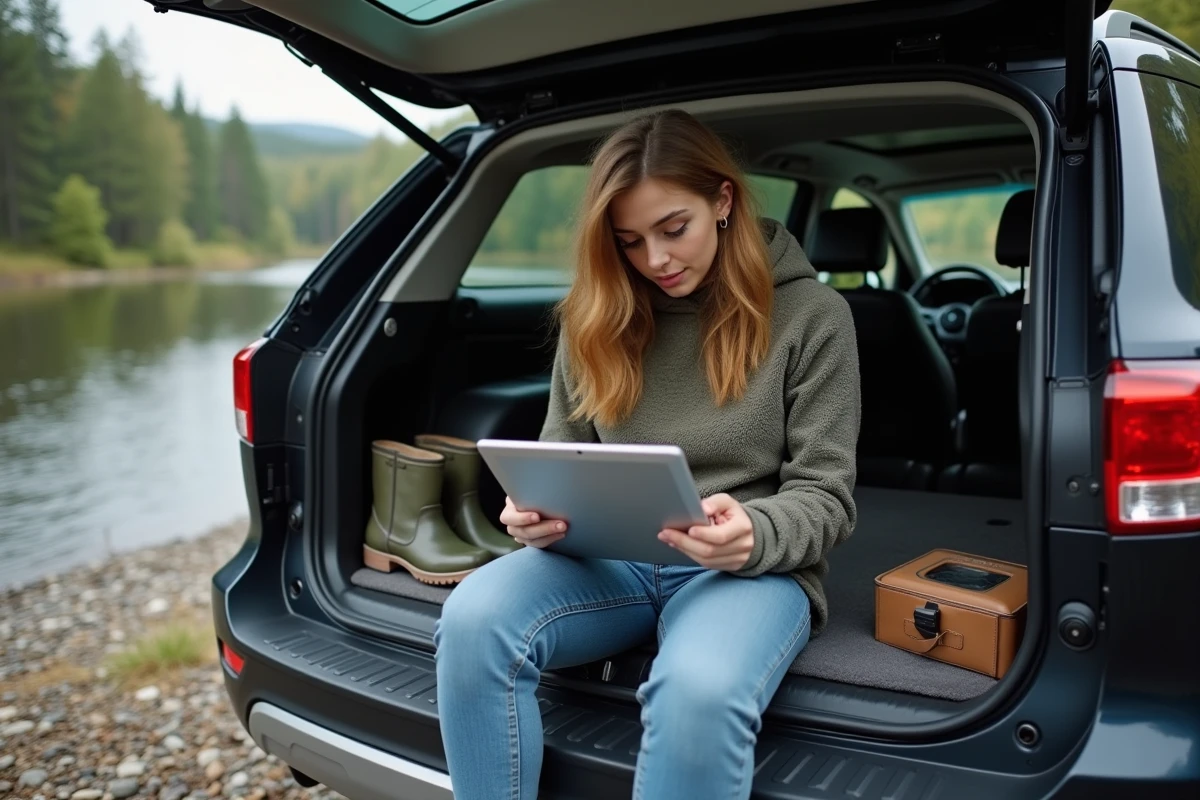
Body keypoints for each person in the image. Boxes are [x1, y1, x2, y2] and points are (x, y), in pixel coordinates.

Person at [433, 108, 861, 800]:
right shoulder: (594, 315)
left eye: (674, 229)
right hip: (607, 560)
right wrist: (532, 514)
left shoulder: (814, 316)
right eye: (629, 241)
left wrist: (755, 532)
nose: (655, 259)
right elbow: (561, 454)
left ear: (722, 201)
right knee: (472, 621)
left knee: (698, 690)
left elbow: (826, 496)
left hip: (746, 572)